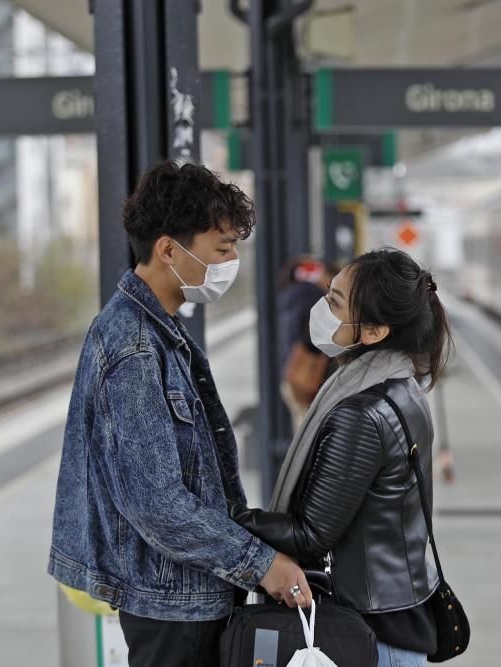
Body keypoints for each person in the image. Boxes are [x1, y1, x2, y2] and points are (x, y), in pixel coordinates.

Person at [47, 161, 311, 667]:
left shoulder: (158, 330)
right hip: (175, 609)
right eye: (223, 248)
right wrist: (261, 564)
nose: (232, 261)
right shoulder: (137, 347)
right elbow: (157, 503)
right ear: (169, 250)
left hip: (185, 596)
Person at [230, 248, 452, 667]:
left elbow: (310, 534)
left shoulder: (361, 412)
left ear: (373, 331)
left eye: (333, 302)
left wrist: (225, 517)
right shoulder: (402, 385)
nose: (320, 310)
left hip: (370, 636)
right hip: (395, 619)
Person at [278, 256, 331, 431]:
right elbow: (312, 338)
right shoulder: (314, 298)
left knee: (301, 432)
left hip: (291, 377)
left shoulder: (288, 297)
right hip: (309, 379)